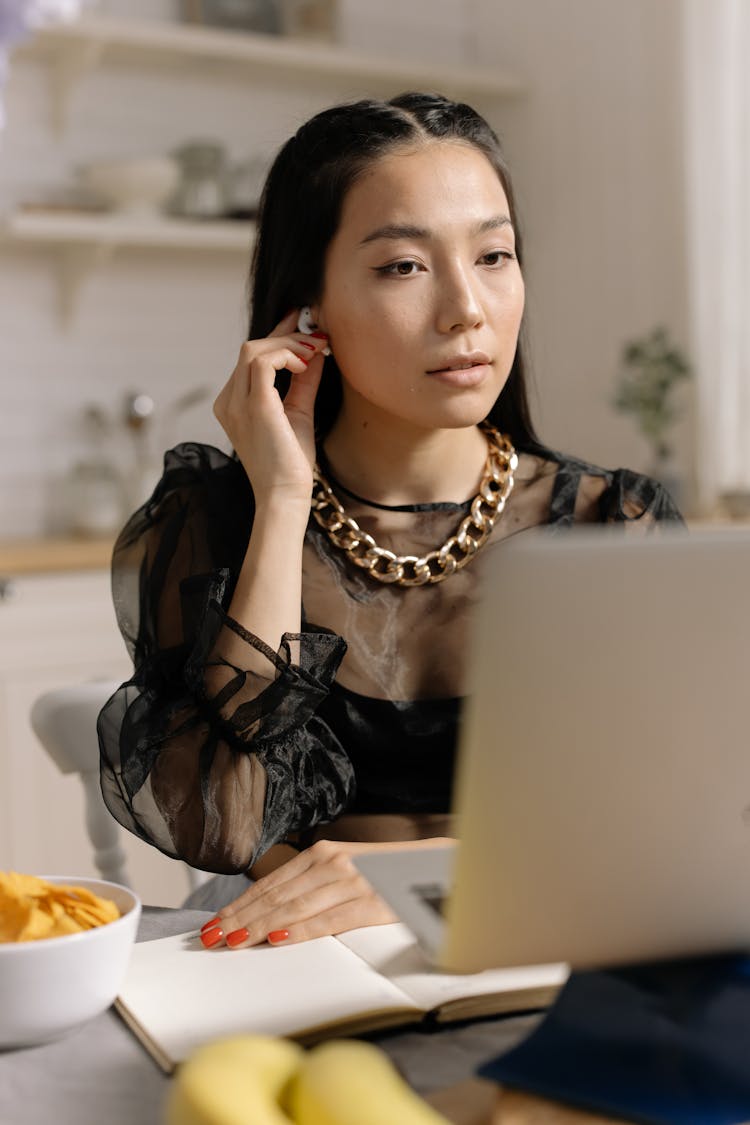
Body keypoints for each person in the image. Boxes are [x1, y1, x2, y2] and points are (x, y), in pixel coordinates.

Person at [98, 92, 683, 953]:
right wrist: (282, 500)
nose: (466, 309)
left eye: (493, 255)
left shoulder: (612, 524)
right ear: (309, 310)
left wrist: (420, 876)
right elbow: (224, 823)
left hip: (540, 945)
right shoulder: (213, 518)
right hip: (301, 968)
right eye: (404, 266)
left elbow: (667, 822)